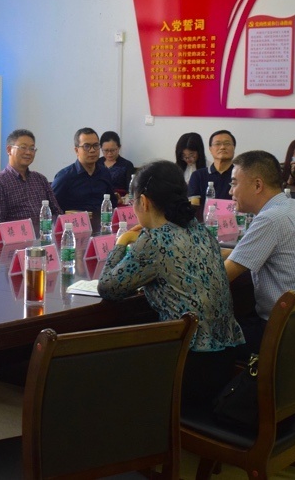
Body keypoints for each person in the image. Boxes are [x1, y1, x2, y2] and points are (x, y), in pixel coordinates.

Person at [98, 160, 244, 408]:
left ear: (144, 201)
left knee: (104, 365)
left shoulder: (154, 240)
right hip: (224, 364)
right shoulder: (200, 230)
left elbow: (108, 287)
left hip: (188, 370)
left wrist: (122, 242)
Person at [225, 150, 295, 354]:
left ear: (257, 185)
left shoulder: (270, 219)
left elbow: (223, 275)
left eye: (234, 183)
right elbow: (243, 252)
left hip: (285, 331)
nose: (231, 191)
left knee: (207, 340)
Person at [0, 129, 62, 227]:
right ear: (9, 150)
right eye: (23, 147)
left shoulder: (40, 179)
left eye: (32, 148)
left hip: (45, 234)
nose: (28, 152)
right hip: (17, 236)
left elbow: (56, 212)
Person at [51, 127, 116, 215]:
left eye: (96, 145)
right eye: (86, 146)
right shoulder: (64, 177)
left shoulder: (105, 173)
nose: (92, 150)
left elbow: (112, 203)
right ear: (76, 150)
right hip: (75, 223)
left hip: (102, 222)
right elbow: (52, 207)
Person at [187, 129, 236, 205]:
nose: (222, 147)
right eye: (217, 144)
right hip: (205, 213)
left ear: (234, 147)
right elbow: (194, 205)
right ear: (210, 149)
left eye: (227, 143)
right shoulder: (198, 175)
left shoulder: (241, 176)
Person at [97, 131, 135, 195]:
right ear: (101, 148)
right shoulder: (97, 163)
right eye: (106, 150)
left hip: (120, 198)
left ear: (119, 147)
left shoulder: (127, 165)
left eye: (113, 150)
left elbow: (130, 190)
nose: (109, 153)